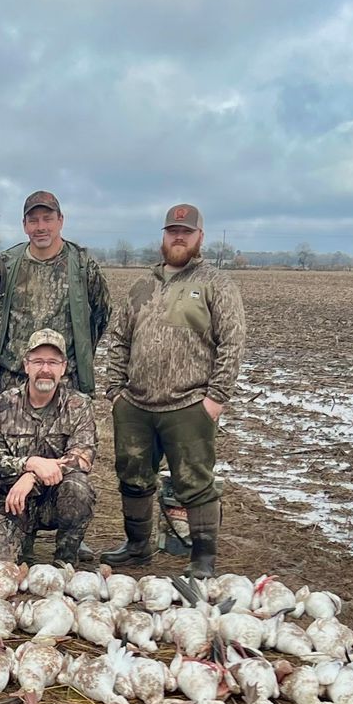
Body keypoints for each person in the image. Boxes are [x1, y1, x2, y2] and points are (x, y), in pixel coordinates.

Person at [97, 203, 246, 579]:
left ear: (200, 237)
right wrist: (115, 392)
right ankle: (137, 546)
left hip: (189, 403)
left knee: (194, 481)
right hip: (136, 403)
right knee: (132, 476)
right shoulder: (142, 285)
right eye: (172, 231)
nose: (178, 238)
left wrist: (215, 398)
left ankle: (203, 559)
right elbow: (119, 339)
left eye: (186, 232)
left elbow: (232, 342)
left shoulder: (215, 283)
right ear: (163, 236)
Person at [0, 330, 96, 565]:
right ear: (26, 365)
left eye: (52, 362)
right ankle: (21, 540)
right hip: (11, 501)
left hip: (54, 500)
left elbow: (82, 458)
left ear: (63, 367)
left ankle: (65, 559)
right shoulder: (1, 406)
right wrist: (29, 463)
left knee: (78, 488)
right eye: (38, 361)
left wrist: (33, 475)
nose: (45, 369)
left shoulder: (79, 405)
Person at [0, 191, 110, 396]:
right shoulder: (7, 266)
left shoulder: (83, 266)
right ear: (24, 225)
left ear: (60, 221)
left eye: (47, 219)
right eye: (33, 221)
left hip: (65, 383)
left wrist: (77, 357)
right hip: (13, 382)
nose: (40, 227)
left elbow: (101, 316)